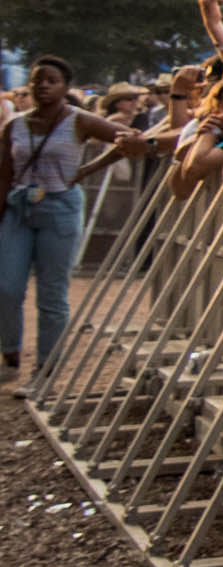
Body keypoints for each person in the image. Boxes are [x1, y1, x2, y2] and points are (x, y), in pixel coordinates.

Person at [0, 56, 147, 383]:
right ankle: (9, 356)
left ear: (66, 87)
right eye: (38, 80)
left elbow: (131, 140)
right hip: (18, 208)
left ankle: (46, 368)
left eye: (52, 80)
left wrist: (87, 170)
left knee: (52, 292)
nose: (43, 86)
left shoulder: (79, 121)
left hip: (59, 208)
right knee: (6, 286)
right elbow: (4, 175)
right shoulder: (15, 125)